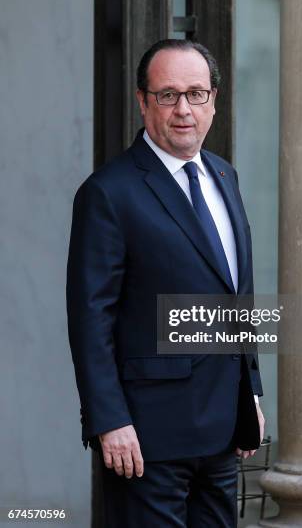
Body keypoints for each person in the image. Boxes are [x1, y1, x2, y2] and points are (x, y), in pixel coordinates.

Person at [67, 39, 264, 527]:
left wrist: (251, 393)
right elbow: (91, 318)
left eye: (196, 94)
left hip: (222, 431)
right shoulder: (108, 193)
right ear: (142, 101)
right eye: (167, 95)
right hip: (146, 438)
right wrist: (108, 419)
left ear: (213, 101)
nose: (183, 110)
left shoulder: (224, 175)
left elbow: (237, 294)